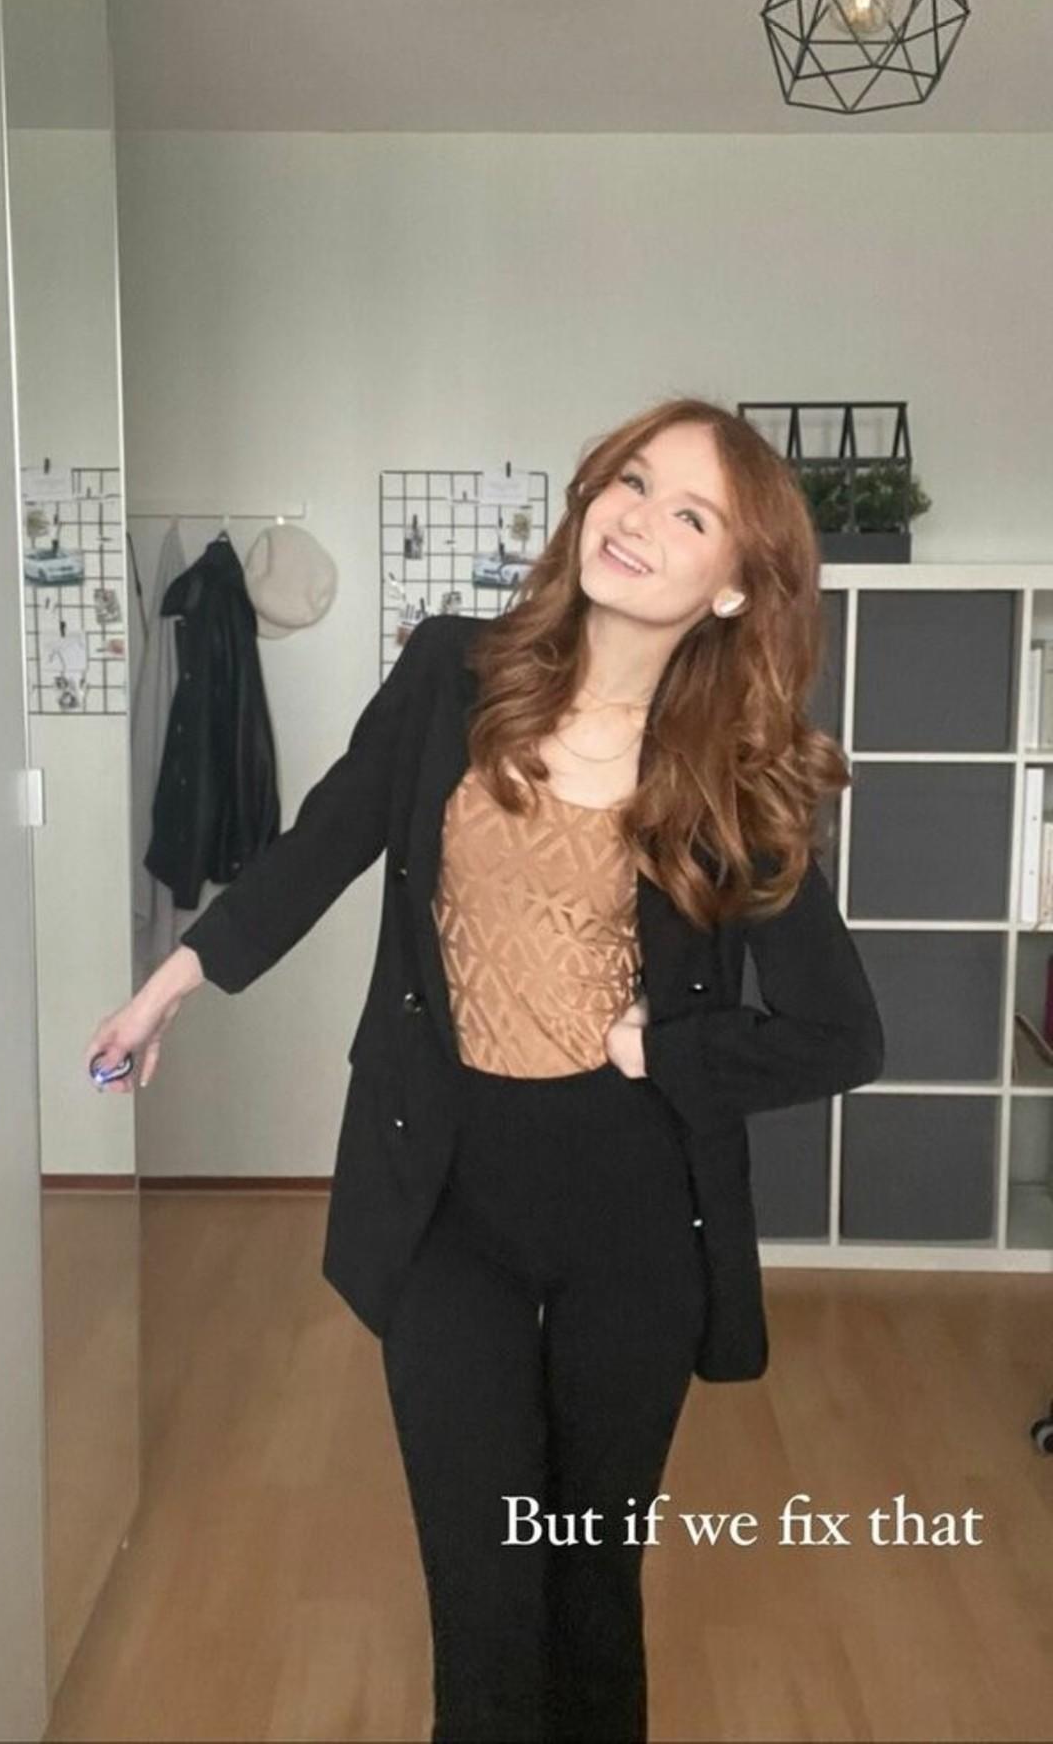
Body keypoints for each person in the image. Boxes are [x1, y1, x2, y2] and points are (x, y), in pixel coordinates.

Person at [85, 396, 883, 1742]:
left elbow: (841, 1033)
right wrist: (175, 981)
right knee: (481, 1598)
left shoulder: (735, 777)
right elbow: (325, 839)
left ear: (736, 587)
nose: (639, 518)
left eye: (691, 514)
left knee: (590, 1589)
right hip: (444, 1196)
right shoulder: (454, 671)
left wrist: (667, 1046)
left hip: (634, 1219)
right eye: (633, 481)